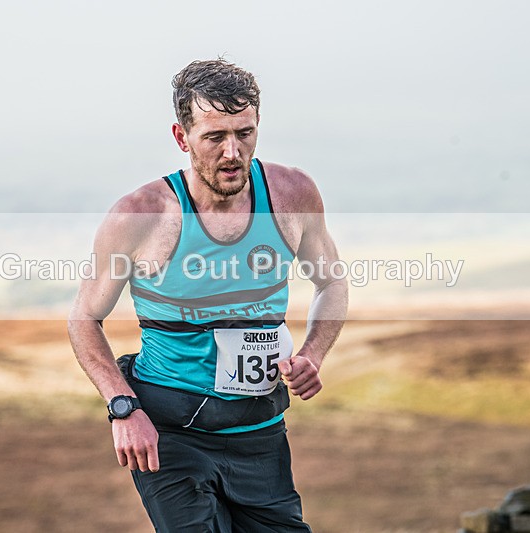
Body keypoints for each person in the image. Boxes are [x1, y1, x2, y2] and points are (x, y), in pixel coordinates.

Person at [68, 58, 348, 532]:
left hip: (260, 432)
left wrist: (313, 354)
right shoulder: (140, 215)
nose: (232, 152)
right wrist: (123, 407)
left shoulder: (292, 195)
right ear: (182, 137)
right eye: (215, 137)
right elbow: (83, 318)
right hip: (171, 435)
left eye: (245, 133)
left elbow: (332, 282)